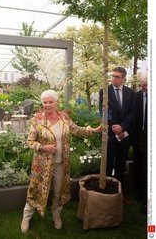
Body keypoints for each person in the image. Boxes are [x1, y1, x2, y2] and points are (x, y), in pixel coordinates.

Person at [21, 90, 103, 233]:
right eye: (45, 102)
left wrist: (94, 130)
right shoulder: (37, 119)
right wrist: (43, 147)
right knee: (36, 190)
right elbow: (30, 141)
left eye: (50, 102)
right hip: (42, 165)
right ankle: (27, 216)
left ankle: (56, 215)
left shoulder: (64, 117)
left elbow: (76, 130)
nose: (47, 105)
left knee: (58, 192)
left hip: (61, 164)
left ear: (56, 102)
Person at [99, 67, 135, 203]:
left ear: (124, 79)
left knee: (121, 165)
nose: (114, 78)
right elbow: (103, 112)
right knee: (108, 165)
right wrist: (114, 127)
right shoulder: (105, 91)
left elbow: (133, 113)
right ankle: (105, 194)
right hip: (110, 135)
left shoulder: (130, 93)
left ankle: (120, 194)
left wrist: (123, 127)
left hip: (124, 135)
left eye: (117, 76)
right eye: (113, 76)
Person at [133, 74, 147, 214]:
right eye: (142, 84)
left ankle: (146, 199)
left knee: (147, 167)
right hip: (138, 136)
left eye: (147, 85)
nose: (144, 87)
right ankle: (138, 192)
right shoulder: (136, 96)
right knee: (137, 164)